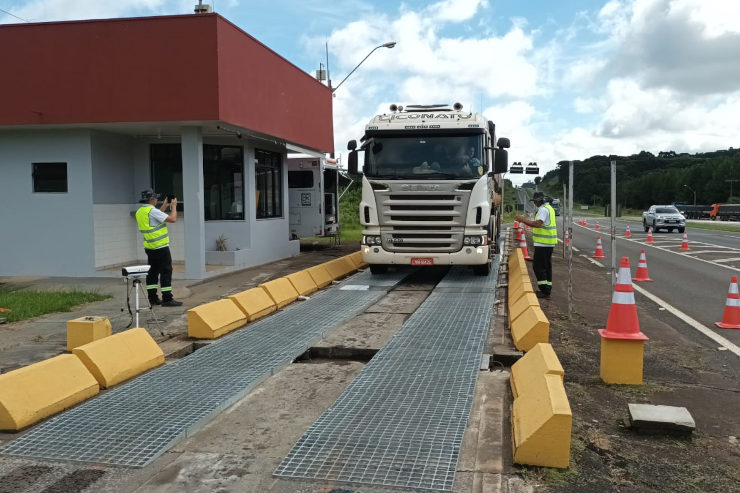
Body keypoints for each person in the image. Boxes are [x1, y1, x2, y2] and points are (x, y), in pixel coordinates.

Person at [135, 189, 182, 307]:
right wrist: (174, 206)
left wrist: (165, 206)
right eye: (155, 198)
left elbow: (156, 218)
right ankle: (167, 299)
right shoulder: (151, 211)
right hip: (161, 247)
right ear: (151, 200)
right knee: (166, 271)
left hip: (150, 247)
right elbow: (173, 219)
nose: (156, 200)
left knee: (152, 273)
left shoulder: (141, 211)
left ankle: (152, 298)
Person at [515, 191, 556, 298]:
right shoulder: (549, 208)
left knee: (538, 267)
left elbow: (537, 224)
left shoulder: (543, 210)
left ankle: (544, 291)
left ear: (539, 201)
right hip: (548, 243)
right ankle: (547, 289)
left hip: (543, 244)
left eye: (535, 201)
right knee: (546, 267)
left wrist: (522, 220)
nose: (534, 203)